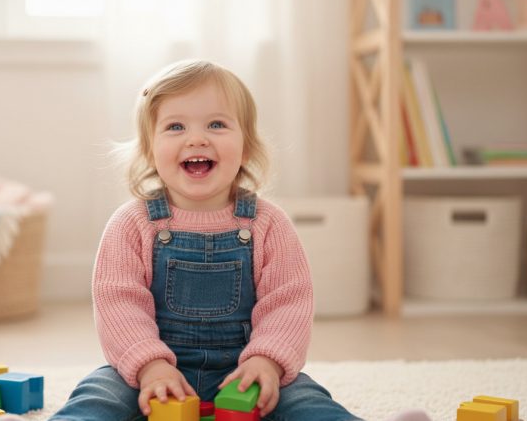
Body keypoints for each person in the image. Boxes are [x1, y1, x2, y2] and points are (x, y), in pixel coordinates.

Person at [50, 59, 362, 421]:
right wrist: (150, 365)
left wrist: (268, 359)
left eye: (216, 124)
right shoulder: (131, 223)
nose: (196, 138)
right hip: (151, 369)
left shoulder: (268, 223)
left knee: (306, 400)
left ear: (246, 147)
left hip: (246, 370)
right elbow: (119, 304)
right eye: (175, 126)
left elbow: (288, 302)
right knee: (98, 395)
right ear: (151, 150)